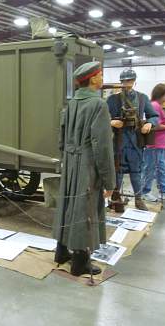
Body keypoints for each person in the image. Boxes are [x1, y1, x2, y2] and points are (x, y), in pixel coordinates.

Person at [53, 61, 116, 277]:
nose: (102, 78)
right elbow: (103, 147)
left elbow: (61, 138)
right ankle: (79, 263)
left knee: (67, 204)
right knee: (85, 209)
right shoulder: (98, 105)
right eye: (100, 75)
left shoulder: (71, 103)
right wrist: (109, 181)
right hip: (87, 164)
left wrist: (67, 159)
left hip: (70, 161)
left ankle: (61, 252)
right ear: (92, 79)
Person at [107, 69, 159, 212]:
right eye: (124, 81)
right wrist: (111, 122)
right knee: (117, 171)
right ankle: (115, 198)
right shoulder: (112, 100)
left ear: (134, 81)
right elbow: (102, 117)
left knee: (136, 171)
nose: (127, 84)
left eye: (129, 81)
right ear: (121, 82)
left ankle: (138, 198)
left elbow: (153, 115)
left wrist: (149, 123)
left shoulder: (142, 98)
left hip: (135, 140)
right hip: (118, 140)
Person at [141, 84, 165, 201]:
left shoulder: (158, 106)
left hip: (160, 144)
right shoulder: (154, 106)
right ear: (161, 94)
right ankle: (145, 191)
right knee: (150, 168)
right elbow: (155, 126)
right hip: (154, 144)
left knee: (161, 168)